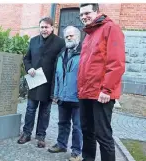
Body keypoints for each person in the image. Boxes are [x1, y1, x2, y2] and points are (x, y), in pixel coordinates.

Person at [78, 3, 125, 161]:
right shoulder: (89, 34)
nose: (84, 17)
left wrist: (107, 90)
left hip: (101, 93)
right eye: (81, 15)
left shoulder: (111, 28)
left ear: (97, 12)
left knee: (103, 135)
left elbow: (117, 63)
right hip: (85, 92)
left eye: (87, 13)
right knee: (86, 131)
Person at [18, 17, 65, 148]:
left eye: (46, 27)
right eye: (42, 27)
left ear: (52, 28)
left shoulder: (60, 42)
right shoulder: (33, 41)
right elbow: (27, 59)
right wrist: (29, 68)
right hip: (35, 80)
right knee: (30, 109)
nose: (44, 30)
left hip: (49, 82)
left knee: (45, 111)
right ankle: (26, 133)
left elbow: (61, 63)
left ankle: (41, 136)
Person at [47, 26, 82, 161]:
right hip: (62, 96)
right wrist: (55, 94)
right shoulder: (61, 54)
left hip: (77, 97)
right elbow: (57, 75)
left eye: (71, 36)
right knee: (63, 123)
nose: (68, 38)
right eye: (66, 36)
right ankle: (61, 144)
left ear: (78, 37)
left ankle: (76, 151)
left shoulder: (84, 53)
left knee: (78, 126)